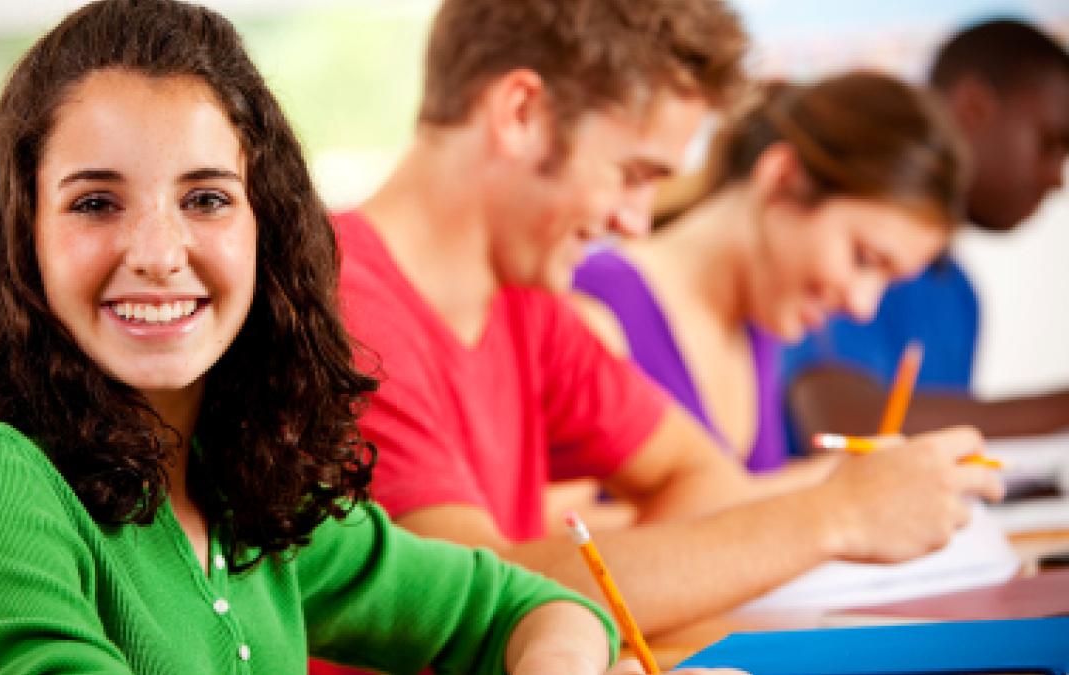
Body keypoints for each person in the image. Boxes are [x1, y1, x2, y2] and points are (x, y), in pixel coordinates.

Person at [0, 2, 684, 673]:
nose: (157, 253)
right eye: (94, 203)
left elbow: (536, 605)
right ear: (24, 239)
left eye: (207, 199)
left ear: (269, 230)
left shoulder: (253, 494)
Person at [336, 0, 1004, 640]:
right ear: (521, 112)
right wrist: (836, 515)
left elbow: (701, 474)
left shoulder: (527, 305)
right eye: (632, 174)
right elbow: (473, 600)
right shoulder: (342, 312)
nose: (634, 220)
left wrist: (622, 592)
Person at [571, 71, 966, 494]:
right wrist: (836, 498)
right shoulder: (592, 308)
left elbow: (731, 503)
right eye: (863, 259)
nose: (863, 305)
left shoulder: (760, 321)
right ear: (780, 177)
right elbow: (554, 536)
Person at [783, 19, 1069, 443]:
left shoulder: (958, 294)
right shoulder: (842, 259)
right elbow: (843, 425)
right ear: (973, 108)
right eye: (1049, 143)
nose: (1056, 178)